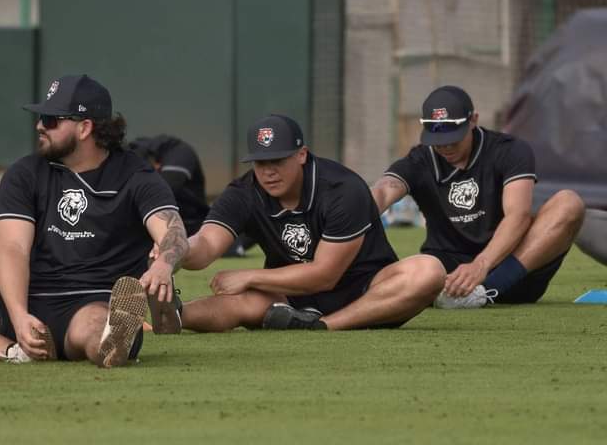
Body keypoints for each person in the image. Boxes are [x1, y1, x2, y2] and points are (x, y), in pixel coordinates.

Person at [0, 74, 187, 367]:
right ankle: (14, 351)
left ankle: (114, 339)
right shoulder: (25, 174)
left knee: (99, 329)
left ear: (85, 128)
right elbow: (13, 249)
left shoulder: (137, 176)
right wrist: (19, 316)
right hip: (27, 302)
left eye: (50, 120)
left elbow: (172, 230)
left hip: (92, 303)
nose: (39, 126)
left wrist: (164, 263)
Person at [174, 114, 445, 331]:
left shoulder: (343, 188)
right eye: (260, 162)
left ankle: (323, 326)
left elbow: (325, 275)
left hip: (367, 291)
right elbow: (207, 242)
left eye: (277, 160)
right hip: (289, 298)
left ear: (301, 154)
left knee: (428, 270)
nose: (268, 172)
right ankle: (170, 318)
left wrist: (249, 276)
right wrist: (174, 252)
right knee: (240, 304)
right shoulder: (244, 192)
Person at [371, 85, 585, 309]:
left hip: (512, 271)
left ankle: (485, 293)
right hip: (447, 277)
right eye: (437, 139)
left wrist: (481, 266)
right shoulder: (418, 161)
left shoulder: (510, 151)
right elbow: (384, 190)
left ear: (473, 120)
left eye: (453, 139)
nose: (445, 147)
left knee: (569, 203)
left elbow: (518, 216)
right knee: (364, 211)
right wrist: (356, 209)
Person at [129, 134, 254, 256]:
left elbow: (167, 188)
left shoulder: (179, 152)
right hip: (159, 225)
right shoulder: (131, 153)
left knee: (218, 245)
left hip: (192, 223)